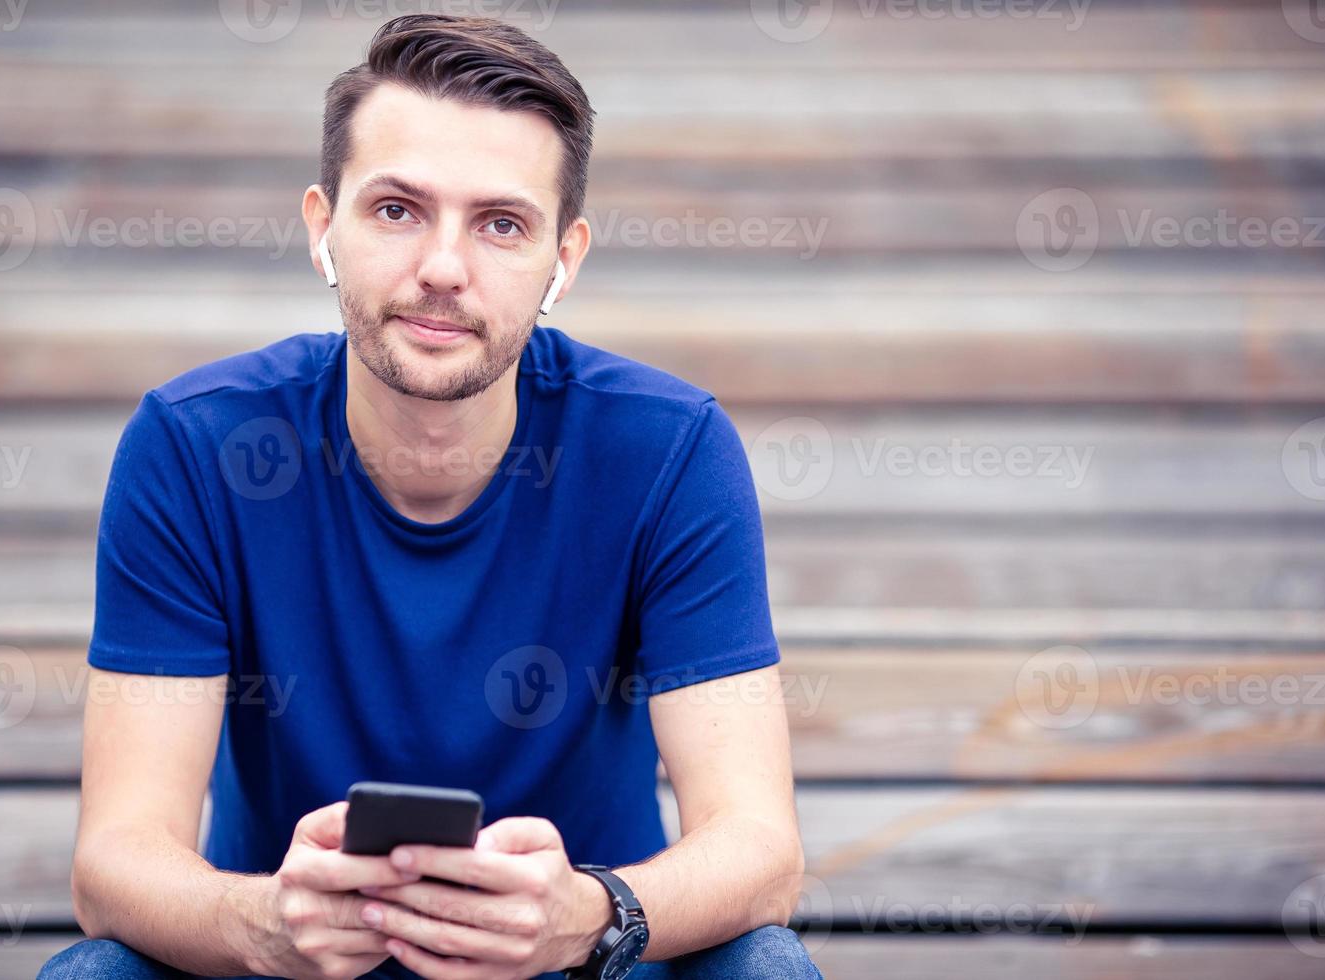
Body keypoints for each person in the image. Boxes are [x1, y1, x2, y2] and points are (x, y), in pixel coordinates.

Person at [42, 13, 820, 980]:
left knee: (767, 966)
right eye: (398, 209)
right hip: (290, 968)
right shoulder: (195, 444)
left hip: (581, 964)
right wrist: (264, 926)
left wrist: (590, 913)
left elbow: (759, 848)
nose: (444, 269)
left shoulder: (667, 448)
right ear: (324, 229)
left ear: (563, 261)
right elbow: (114, 860)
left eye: (501, 224)